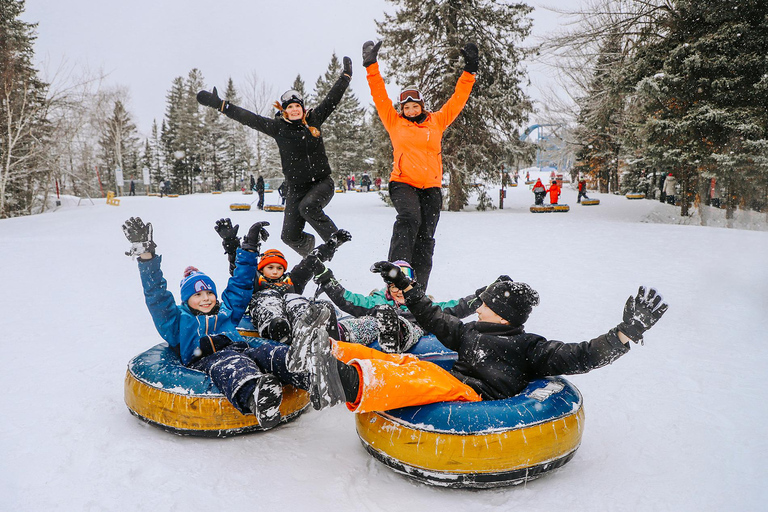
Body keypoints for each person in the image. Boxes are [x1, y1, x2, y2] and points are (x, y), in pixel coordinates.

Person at [285, 262, 669, 414]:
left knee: (423, 376)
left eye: (484, 304)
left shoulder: (530, 347)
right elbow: (433, 317)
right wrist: (406, 285)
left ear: (502, 314)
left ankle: (345, 380)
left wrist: (624, 334)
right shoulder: (469, 333)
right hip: (455, 382)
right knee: (404, 362)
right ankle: (325, 350)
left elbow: (582, 355)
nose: (478, 307)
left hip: (475, 396)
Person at [121, 216, 285, 429]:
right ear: (186, 300)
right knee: (233, 366)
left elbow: (241, 284)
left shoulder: (226, 310)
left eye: (209, 292)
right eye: (197, 295)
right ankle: (258, 399)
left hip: (240, 348)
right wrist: (146, 256)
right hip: (208, 359)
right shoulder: (179, 321)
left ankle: (304, 369)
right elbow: (156, 296)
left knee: (267, 352)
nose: (206, 298)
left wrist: (250, 248)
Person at [197, 56, 353, 257]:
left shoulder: (314, 119)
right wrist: (221, 105)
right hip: (296, 187)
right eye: (290, 107)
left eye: (298, 106)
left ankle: (334, 239)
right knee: (289, 236)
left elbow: (332, 99)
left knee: (309, 207)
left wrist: (346, 77)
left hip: (321, 183)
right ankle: (313, 256)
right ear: (285, 111)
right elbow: (249, 119)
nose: (295, 110)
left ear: (303, 108)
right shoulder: (278, 128)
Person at [363, 40, 478, 290]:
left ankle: (418, 291)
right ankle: (396, 271)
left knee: (426, 239)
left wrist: (469, 71)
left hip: (431, 188)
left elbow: (458, 99)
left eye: (415, 106)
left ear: (422, 106)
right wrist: (371, 65)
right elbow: (379, 95)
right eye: (407, 107)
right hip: (403, 183)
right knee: (409, 218)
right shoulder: (394, 122)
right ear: (402, 109)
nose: (412, 110)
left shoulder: (436, 121)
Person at [214, 218, 350, 344]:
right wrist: (232, 244)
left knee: (295, 300)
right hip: (267, 312)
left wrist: (330, 245)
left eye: (279, 268)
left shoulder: (291, 280)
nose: (275, 271)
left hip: (292, 311)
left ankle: (307, 328)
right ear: (262, 269)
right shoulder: (254, 279)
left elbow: (310, 262)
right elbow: (239, 269)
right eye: (270, 267)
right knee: (268, 298)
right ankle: (278, 329)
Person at [308, 258, 482, 353]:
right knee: (370, 322)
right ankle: (336, 333)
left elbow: (456, 307)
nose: (399, 291)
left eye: (402, 287)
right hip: (377, 327)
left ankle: (396, 333)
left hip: (407, 333)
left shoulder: (424, 307)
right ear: (388, 288)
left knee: (413, 328)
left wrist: (481, 297)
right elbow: (349, 300)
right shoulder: (378, 302)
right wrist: (326, 279)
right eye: (394, 287)